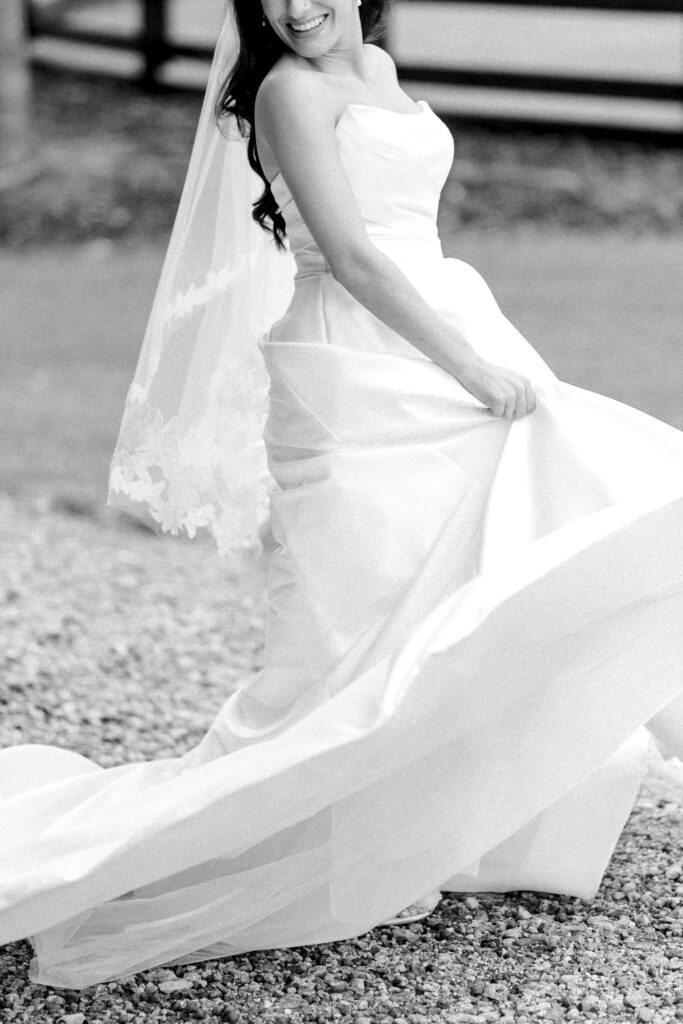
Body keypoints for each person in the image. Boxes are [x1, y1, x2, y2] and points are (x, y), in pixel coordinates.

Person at [1, 0, 682, 992]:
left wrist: (478, 349)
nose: (298, 6)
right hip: (365, 364)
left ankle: (465, 803)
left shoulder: (371, 65)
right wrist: (470, 369)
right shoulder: (287, 90)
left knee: (567, 517)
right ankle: (297, 819)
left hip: (448, 327)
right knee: (365, 621)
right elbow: (354, 256)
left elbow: (409, 230)